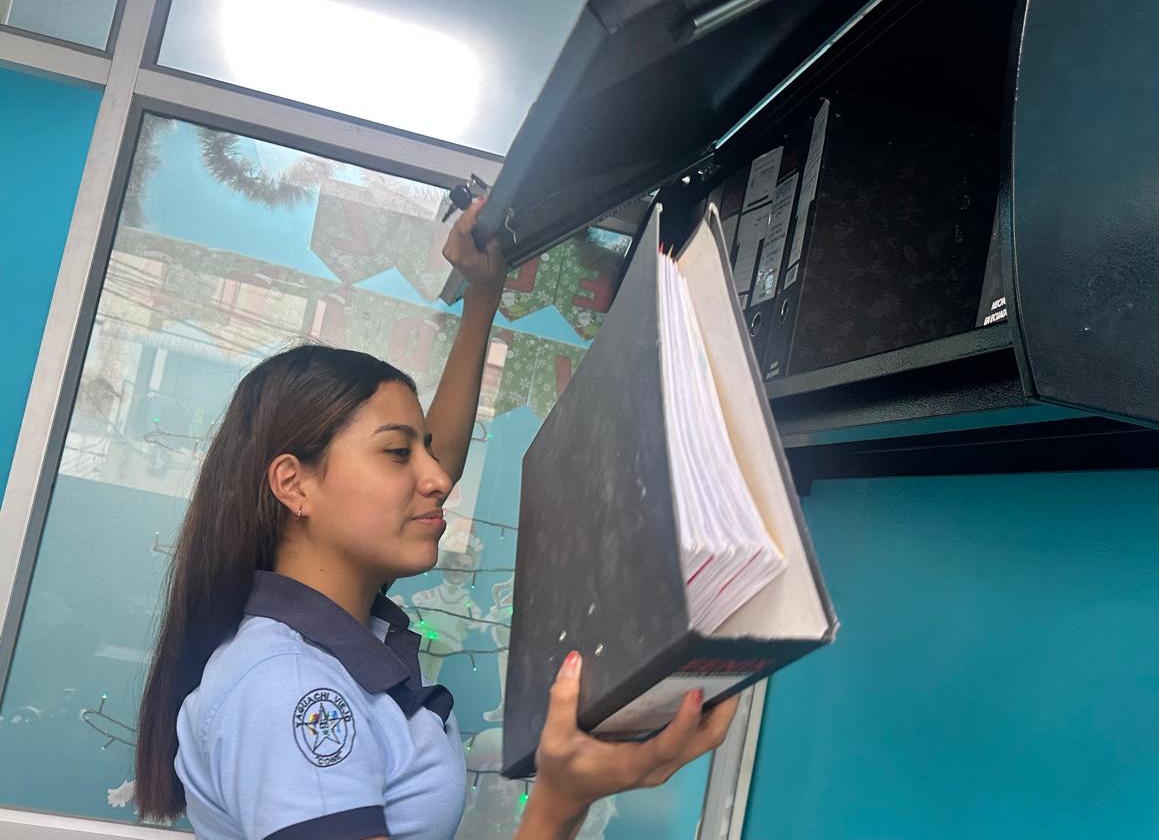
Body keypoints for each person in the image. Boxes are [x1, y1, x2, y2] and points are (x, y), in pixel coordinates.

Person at [133, 198, 737, 838]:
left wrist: (483, 298)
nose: (440, 478)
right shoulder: (291, 689)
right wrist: (561, 799)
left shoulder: (341, 636)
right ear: (294, 484)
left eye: (424, 451)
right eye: (398, 453)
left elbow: (434, 460)